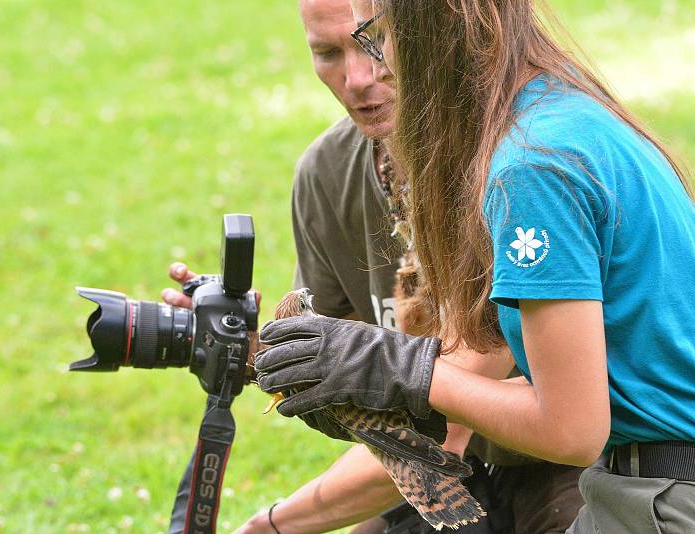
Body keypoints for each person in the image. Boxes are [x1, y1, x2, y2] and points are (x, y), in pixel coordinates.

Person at [255, 1, 695, 533]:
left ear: (433, 28)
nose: (367, 71)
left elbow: (571, 431)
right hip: (639, 480)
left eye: (376, 37)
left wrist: (396, 366)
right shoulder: (557, 109)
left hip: (664, 496)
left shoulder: (531, 165)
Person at [165, 1, 584, 532]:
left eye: (373, 44)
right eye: (326, 53)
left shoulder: (515, 161)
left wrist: (270, 526)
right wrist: (255, 350)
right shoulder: (328, 171)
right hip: (445, 471)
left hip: (582, 464)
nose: (357, 78)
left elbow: (444, 421)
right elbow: (370, 401)